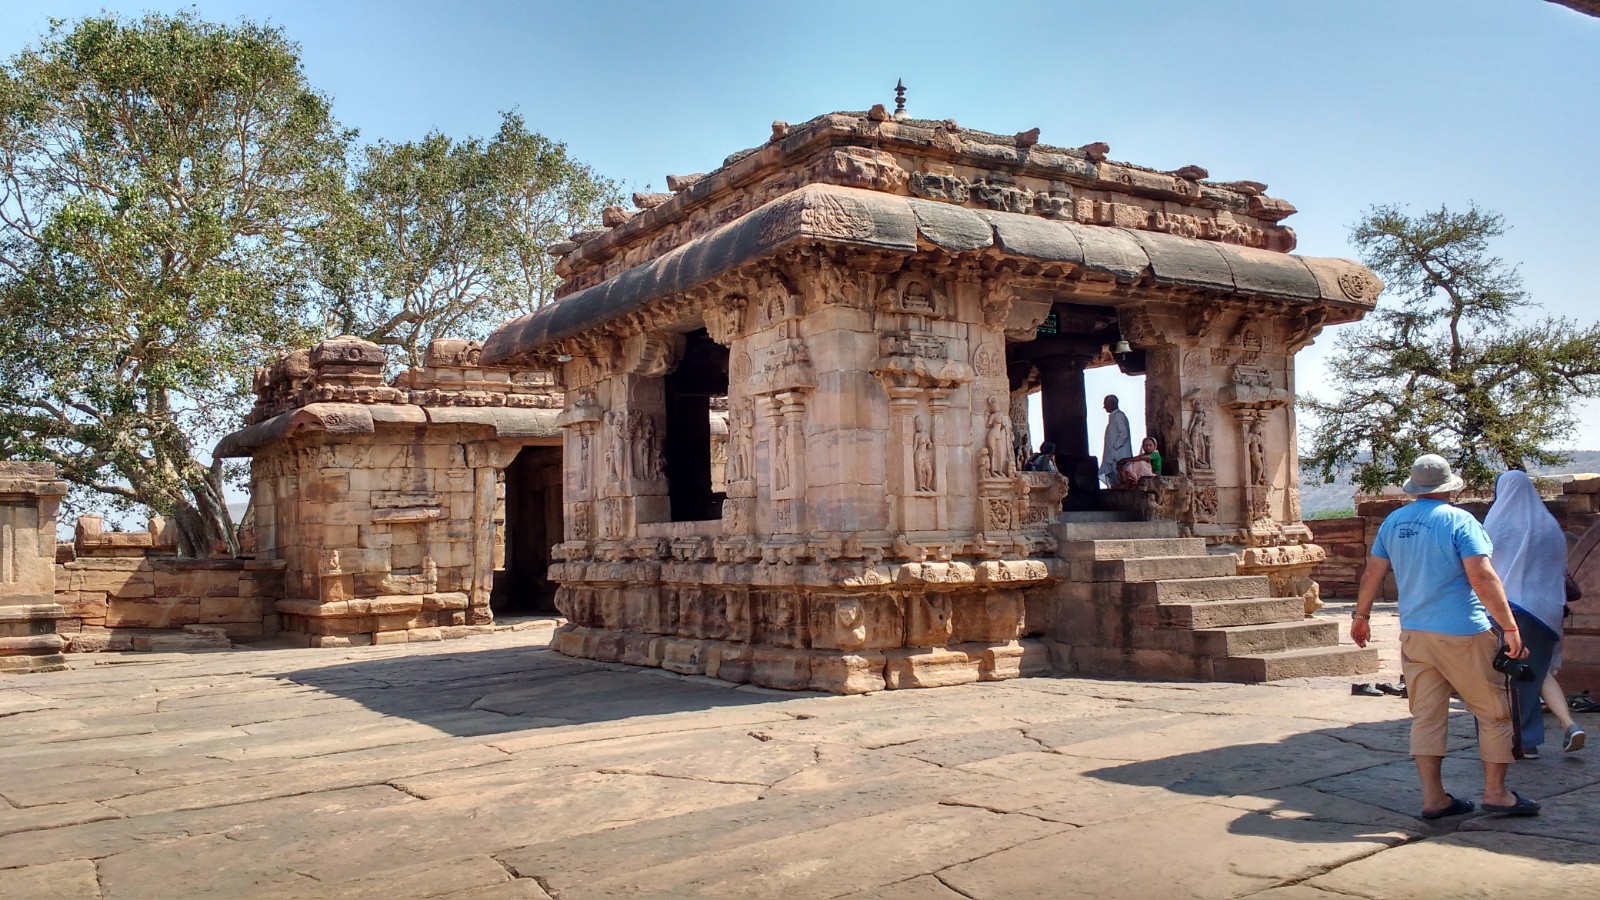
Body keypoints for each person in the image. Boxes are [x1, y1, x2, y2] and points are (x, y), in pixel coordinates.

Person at [1351, 454, 1539, 819]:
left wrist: (1361, 617)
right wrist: (1510, 628)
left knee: (1426, 716)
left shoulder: (1394, 522)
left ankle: (1434, 798)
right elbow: (1482, 577)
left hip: (1416, 633)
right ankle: (1496, 792)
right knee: (1493, 713)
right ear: (1449, 487)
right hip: (1463, 631)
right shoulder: (1459, 520)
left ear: (1415, 488)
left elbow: (1371, 574)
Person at [1485, 470, 1583, 756]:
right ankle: (1568, 725)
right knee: (1535, 671)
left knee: (1506, 676)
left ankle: (1518, 740)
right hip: (1548, 610)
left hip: (1510, 608)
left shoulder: (1497, 523)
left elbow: (1485, 567)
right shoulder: (1549, 525)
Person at [1098, 395, 1131, 488]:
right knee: (1107, 475)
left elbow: (1123, 433)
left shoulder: (1119, 415)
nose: (1104, 407)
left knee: (1118, 477)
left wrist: (1115, 448)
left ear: (1112, 404)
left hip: (1118, 455)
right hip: (1112, 455)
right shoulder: (1114, 416)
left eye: (1105, 404)